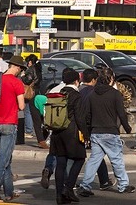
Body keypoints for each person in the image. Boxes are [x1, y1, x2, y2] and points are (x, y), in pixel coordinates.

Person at [77, 67, 134, 195]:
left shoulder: (92, 94)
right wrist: (127, 127)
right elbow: (121, 113)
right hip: (110, 131)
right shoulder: (115, 94)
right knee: (116, 159)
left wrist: (87, 131)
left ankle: (85, 186)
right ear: (111, 79)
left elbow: (87, 115)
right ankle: (123, 185)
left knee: (94, 160)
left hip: (95, 132)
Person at [0, 55, 26, 203]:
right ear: (17, 67)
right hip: (9, 123)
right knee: (2, 161)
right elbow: (21, 106)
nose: (20, 71)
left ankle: (9, 192)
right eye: (21, 68)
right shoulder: (17, 83)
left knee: (5, 159)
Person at [51, 68, 86, 204]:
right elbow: (80, 118)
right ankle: (69, 188)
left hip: (57, 132)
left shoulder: (59, 93)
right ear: (77, 81)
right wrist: (86, 134)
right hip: (71, 132)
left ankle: (59, 195)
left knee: (61, 163)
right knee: (80, 158)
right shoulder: (76, 96)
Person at [22, 55, 47, 148]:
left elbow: (28, 80)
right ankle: (43, 137)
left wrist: (23, 77)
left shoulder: (30, 69)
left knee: (31, 113)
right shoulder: (38, 68)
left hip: (30, 93)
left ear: (30, 62)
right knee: (39, 115)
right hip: (37, 92)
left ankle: (39, 139)